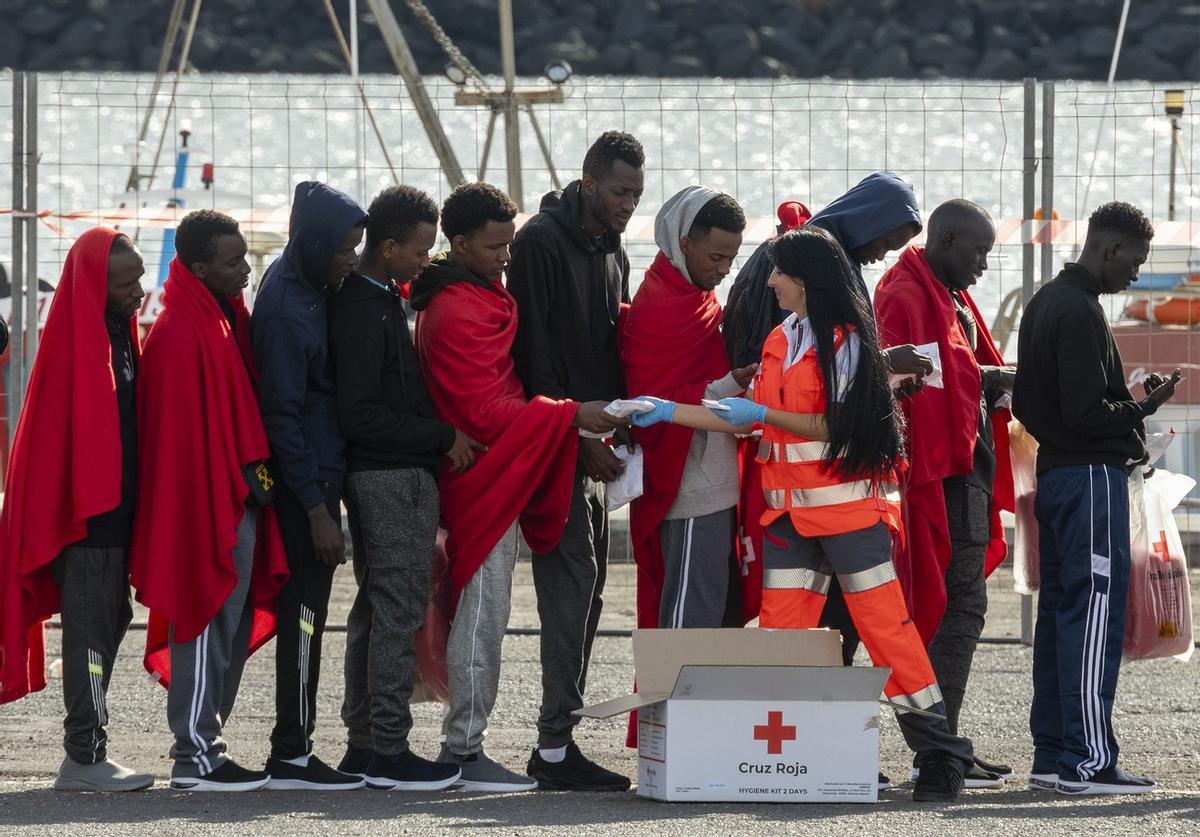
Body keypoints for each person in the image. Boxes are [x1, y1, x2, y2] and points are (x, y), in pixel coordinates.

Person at [630, 226, 975, 802]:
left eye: (778, 272)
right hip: (789, 520)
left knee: (887, 634)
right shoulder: (780, 338)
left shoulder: (846, 342)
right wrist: (667, 410)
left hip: (849, 518)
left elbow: (837, 427)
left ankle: (940, 753)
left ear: (805, 280)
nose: (769, 281)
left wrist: (761, 410)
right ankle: (794, 757)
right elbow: (744, 419)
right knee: (784, 640)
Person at [412, 182, 620, 791]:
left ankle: (463, 744)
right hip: (484, 478)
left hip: (496, 470)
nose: (508, 257)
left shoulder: (468, 294)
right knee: (483, 611)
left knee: (486, 610)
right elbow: (483, 408)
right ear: (458, 244)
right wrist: (570, 414)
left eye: (509, 243)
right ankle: (463, 750)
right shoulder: (457, 309)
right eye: (496, 246)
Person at [1014, 201, 1176, 795]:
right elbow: (1087, 413)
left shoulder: (1043, 304)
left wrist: (1123, 410)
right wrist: (1141, 410)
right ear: (1109, 250)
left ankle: (1052, 754)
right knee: (1094, 616)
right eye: (1134, 263)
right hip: (1089, 483)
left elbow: (1032, 404)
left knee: (1062, 614)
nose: (1135, 275)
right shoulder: (1081, 312)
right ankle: (1087, 761)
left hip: (1055, 479)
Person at [130, 210, 289, 791]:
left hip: (234, 498)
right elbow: (177, 445)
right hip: (203, 508)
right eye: (232, 260)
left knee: (229, 620)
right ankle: (194, 754)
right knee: (204, 618)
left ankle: (207, 744)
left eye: (245, 255)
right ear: (199, 267)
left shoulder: (222, 320)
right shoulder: (178, 333)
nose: (245, 268)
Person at [506, 130, 644, 790]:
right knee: (571, 582)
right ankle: (554, 745)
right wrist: (575, 437)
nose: (628, 205)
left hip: (595, 436)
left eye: (637, 195)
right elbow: (533, 353)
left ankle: (558, 742)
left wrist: (622, 423)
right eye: (620, 192)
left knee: (586, 589)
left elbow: (612, 342)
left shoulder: (611, 244)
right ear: (588, 182)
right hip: (554, 438)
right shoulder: (538, 241)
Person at [330, 185, 477, 791]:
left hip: (384, 472)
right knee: (398, 608)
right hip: (388, 476)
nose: (426, 262)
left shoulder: (380, 296)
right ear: (387, 246)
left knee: (376, 606)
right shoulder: (366, 313)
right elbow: (360, 412)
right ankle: (388, 747)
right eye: (420, 251)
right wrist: (441, 435)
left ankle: (363, 742)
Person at [0, 228, 152, 792]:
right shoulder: (79, 346)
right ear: (94, 284)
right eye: (126, 282)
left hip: (114, 517)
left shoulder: (118, 334)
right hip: (88, 523)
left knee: (109, 623)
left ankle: (87, 750)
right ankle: (84, 756)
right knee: (90, 631)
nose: (139, 290)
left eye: (138, 277)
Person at [873, 199, 1016, 787]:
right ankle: (937, 747)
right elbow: (902, 384)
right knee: (945, 608)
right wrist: (987, 379)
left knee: (961, 608)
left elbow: (954, 370)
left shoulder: (947, 291)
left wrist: (989, 380)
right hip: (938, 475)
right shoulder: (902, 292)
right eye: (978, 251)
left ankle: (944, 741)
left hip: (965, 468)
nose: (984, 264)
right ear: (948, 238)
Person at [250, 181, 367, 790]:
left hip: (326, 472)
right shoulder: (286, 309)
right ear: (316, 241)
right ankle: (291, 752)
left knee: (312, 615)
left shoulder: (312, 283)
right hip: (307, 487)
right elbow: (283, 416)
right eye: (345, 248)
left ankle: (295, 745)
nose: (352, 259)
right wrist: (318, 510)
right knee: (303, 618)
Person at [620, 186, 755, 632]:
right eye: (715, 257)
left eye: (731, 259)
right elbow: (655, 407)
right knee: (688, 618)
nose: (723, 270)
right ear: (684, 244)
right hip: (688, 490)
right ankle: (672, 703)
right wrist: (736, 380)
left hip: (713, 482)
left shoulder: (696, 295)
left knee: (714, 612)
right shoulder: (658, 308)